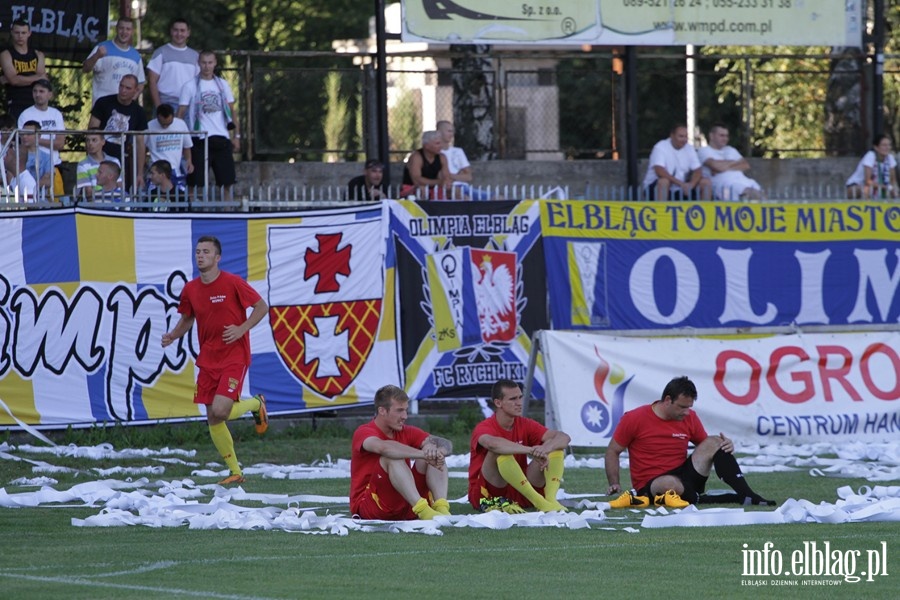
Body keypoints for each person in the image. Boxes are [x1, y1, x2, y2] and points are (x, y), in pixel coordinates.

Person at [161, 235, 269, 486]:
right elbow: (188, 318)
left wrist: (242, 328)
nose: (200, 255)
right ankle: (236, 472)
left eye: (206, 252)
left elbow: (261, 307)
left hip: (234, 355)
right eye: (198, 251)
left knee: (221, 410)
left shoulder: (232, 282)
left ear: (217, 257)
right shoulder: (191, 289)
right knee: (213, 417)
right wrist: (173, 336)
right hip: (207, 359)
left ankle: (255, 404)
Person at [605, 375, 775, 508]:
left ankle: (746, 494)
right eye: (682, 407)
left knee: (716, 441)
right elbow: (613, 451)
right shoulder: (634, 418)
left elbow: (708, 447)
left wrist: (725, 445)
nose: (687, 412)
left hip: (686, 476)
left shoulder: (689, 417)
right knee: (668, 483)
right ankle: (699, 498)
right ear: (667, 400)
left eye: (690, 407)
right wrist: (615, 484)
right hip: (653, 483)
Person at [350, 384, 452, 520]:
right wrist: (423, 453)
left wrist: (434, 449)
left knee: (433, 452)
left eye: (405, 410)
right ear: (382, 411)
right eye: (399, 410)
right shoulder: (364, 432)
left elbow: (446, 443)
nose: (405, 416)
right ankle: (423, 510)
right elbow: (384, 448)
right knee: (391, 457)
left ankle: (441, 507)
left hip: (406, 504)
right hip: (370, 506)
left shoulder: (406, 430)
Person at [468, 379, 570, 513]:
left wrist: (545, 449)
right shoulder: (484, 427)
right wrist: (531, 450)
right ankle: (540, 502)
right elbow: (493, 444)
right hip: (487, 496)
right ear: (498, 403)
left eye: (520, 397)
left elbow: (564, 437)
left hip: (519, 490)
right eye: (513, 399)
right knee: (498, 452)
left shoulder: (524, 423)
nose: (519, 403)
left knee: (555, 447)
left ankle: (550, 500)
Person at [178, 50, 240, 199]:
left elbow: (232, 111)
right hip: (199, 138)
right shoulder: (190, 85)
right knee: (194, 181)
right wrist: (181, 140)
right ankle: (191, 212)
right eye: (204, 63)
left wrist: (236, 136)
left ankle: (227, 212)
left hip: (222, 137)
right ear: (199, 63)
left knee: (227, 181)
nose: (207, 66)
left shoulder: (222, 85)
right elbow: (180, 114)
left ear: (215, 63)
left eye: (210, 62)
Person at [89, 74, 148, 191]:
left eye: (128, 88)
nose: (123, 90)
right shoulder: (103, 102)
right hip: (100, 157)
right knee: (94, 192)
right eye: (121, 86)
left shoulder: (138, 112)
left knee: (119, 194)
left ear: (136, 90)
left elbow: (140, 144)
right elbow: (92, 131)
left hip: (121, 160)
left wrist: (140, 173)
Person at [17, 78, 66, 197]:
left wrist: (36, 139)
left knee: (56, 203)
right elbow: (23, 142)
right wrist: (48, 141)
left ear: (50, 94)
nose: (37, 94)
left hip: (54, 165)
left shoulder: (56, 114)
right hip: (31, 167)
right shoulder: (25, 115)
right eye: (35, 91)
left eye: (41, 91)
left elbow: (60, 143)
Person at [81, 17, 146, 106]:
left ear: (132, 32)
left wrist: (130, 102)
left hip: (123, 109)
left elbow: (140, 84)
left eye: (128, 29)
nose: (124, 32)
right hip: (102, 107)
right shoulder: (102, 47)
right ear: (116, 29)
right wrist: (96, 56)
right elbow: (85, 69)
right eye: (121, 28)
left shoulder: (136, 56)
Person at [642, 125, 712, 201]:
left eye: (686, 137)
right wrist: (681, 184)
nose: (684, 139)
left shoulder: (689, 148)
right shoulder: (660, 147)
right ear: (672, 136)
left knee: (706, 182)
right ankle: (662, 211)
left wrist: (691, 185)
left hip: (681, 189)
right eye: (681, 136)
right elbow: (659, 171)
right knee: (664, 181)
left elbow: (698, 170)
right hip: (656, 188)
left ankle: (704, 211)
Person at [696, 123, 763, 200]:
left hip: (745, 181)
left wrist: (723, 165)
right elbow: (715, 166)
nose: (725, 139)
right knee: (753, 195)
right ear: (711, 136)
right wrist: (736, 162)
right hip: (725, 185)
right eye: (721, 135)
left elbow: (745, 165)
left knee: (764, 198)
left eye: (726, 136)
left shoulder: (731, 150)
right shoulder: (704, 151)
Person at [146, 18, 199, 110]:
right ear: (171, 31)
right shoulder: (160, 52)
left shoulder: (195, 56)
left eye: (182, 31)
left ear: (188, 33)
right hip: (166, 104)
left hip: (189, 106)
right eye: (176, 30)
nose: (179, 34)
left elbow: (199, 83)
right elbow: (152, 81)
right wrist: (159, 107)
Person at [0, 20, 47, 120]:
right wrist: (35, 78)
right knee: (17, 133)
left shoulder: (38, 54)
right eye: (17, 32)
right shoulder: (6, 55)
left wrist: (18, 78)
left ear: (29, 33)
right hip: (15, 102)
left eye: (23, 33)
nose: (20, 36)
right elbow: (14, 80)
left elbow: (42, 81)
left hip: (35, 102)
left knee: (36, 134)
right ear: (12, 33)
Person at [437, 120, 489, 201]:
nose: (452, 134)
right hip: (449, 189)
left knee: (498, 198)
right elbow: (440, 176)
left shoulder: (458, 151)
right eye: (449, 131)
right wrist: (459, 175)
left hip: (464, 187)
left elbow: (468, 177)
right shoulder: (435, 153)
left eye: (452, 131)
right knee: (462, 197)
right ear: (439, 132)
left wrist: (450, 176)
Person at [145, 104, 193, 186]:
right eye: (162, 124)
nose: (165, 126)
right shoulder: (149, 126)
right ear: (157, 117)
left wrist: (189, 160)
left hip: (175, 170)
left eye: (168, 123)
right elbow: (141, 148)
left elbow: (187, 146)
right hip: (156, 170)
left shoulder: (181, 124)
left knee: (177, 196)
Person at [400, 130, 451, 200]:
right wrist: (439, 182)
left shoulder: (442, 157)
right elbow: (417, 180)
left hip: (434, 188)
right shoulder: (416, 157)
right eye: (437, 143)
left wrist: (446, 182)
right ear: (427, 146)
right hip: (412, 189)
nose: (441, 146)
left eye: (441, 143)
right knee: (422, 190)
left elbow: (446, 177)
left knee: (456, 191)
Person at [846, 134, 899, 200]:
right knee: (865, 190)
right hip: (857, 186)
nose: (887, 147)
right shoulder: (870, 156)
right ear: (876, 147)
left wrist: (894, 190)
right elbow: (867, 181)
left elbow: (893, 180)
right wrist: (886, 187)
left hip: (879, 187)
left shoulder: (890, 158)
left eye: (889, 145)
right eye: (884, 145)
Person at [75, 133, 121, 200]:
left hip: (115, 200)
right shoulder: (82, 165)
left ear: (103, 142)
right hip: (94, 204)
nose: (90, 143)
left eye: (94, 140)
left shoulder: (115, 160)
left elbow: (120, 185)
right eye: (87, 140)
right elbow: (88, 193)